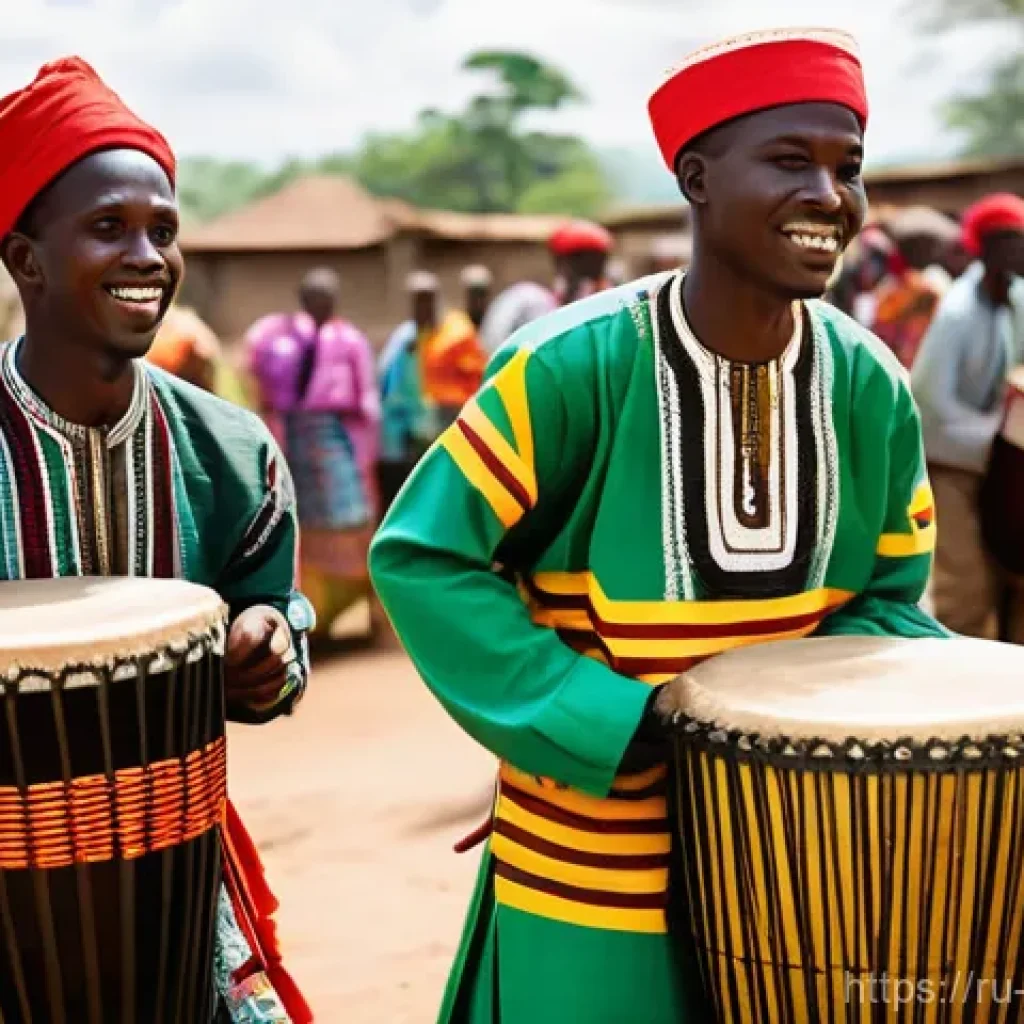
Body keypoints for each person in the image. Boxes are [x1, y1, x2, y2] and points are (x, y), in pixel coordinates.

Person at [370, 27, 946, 1024]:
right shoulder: (569, 369)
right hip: (595, 862)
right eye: (789, 160)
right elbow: (425, 557)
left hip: (802, 857)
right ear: (695, 178)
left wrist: (798, 723)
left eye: (847, 167)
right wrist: (597, 718)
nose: (828, 194)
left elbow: (891, 599)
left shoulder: (870, 386)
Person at [0, 57, 313, 1023]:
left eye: (164, 231)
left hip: (178, 886)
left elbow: (274, 606)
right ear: (26, 261)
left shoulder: (231, 450)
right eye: (110, 228)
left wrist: (269, 646)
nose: (148, 256)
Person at [911, 192, 1024, 640]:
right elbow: (929, 404)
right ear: (985, 247)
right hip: (950, 463)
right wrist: (992, 434)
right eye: (1008, 240)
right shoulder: (958, 312)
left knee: (1011, 577)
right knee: (966, 589)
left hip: (996, 461)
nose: (1018, 249)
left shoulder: (1014, 299)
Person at [245, 267, 380, 639]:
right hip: (295, 439)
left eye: (327, 297)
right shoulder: (278, 338)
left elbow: (366, 397)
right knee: (297, 518)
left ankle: (366, 606)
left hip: (338, 437)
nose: (322, 304)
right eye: (315, 298)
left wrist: (366, 448)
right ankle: (311, 612)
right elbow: (263, 386)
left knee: (352, 518)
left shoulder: (350, 340)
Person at [378, 270, 486, 512]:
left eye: (427, 300)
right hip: (416, 429)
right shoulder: (406, 339)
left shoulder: (457, 333)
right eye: (417, 301)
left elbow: (476, 378)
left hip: (452, 421)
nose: (422, 307)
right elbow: (391, 386)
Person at [478, 220, 614, 355]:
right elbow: (493, 339)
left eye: (600, 262)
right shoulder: (527, 300)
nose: (596, 269)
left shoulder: (605, 305)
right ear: (562, 262)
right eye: (585, 260)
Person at [870, 206, 960, 369]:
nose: (921, 251)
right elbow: (880, 329)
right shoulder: (892, 285)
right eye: (914, 246)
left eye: (927, 246)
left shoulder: (937, 280)